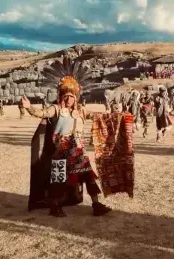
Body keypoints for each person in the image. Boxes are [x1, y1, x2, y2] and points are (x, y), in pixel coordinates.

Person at [23, 58, 112, 217]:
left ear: (76, 97)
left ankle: (96, 204)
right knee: (58, 179)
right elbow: (41, 113)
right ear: (62, 96)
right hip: (60, 151)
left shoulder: (81, 111)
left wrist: (113, 116)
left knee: (88, 176)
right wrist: (29, 107)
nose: (69, 99)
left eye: (72, 96)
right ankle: (54, 207)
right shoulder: (56, 109)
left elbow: (96, 116)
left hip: (78, 150)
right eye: (66, 96)